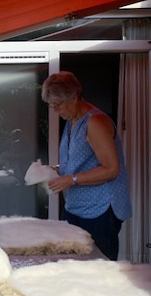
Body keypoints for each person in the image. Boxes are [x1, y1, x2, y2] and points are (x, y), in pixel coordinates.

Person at [41, 71, 131, 260]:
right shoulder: (72, 121)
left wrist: (71, 179)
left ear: (74, 98)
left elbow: (111, 169)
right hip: (76, 208)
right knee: (73, 265)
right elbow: (80, 162)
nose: (56, 111)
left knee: (98, 267)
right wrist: (56, 170)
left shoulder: (96, 122)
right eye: (52, 106)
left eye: (58, 105)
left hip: (99, 210)